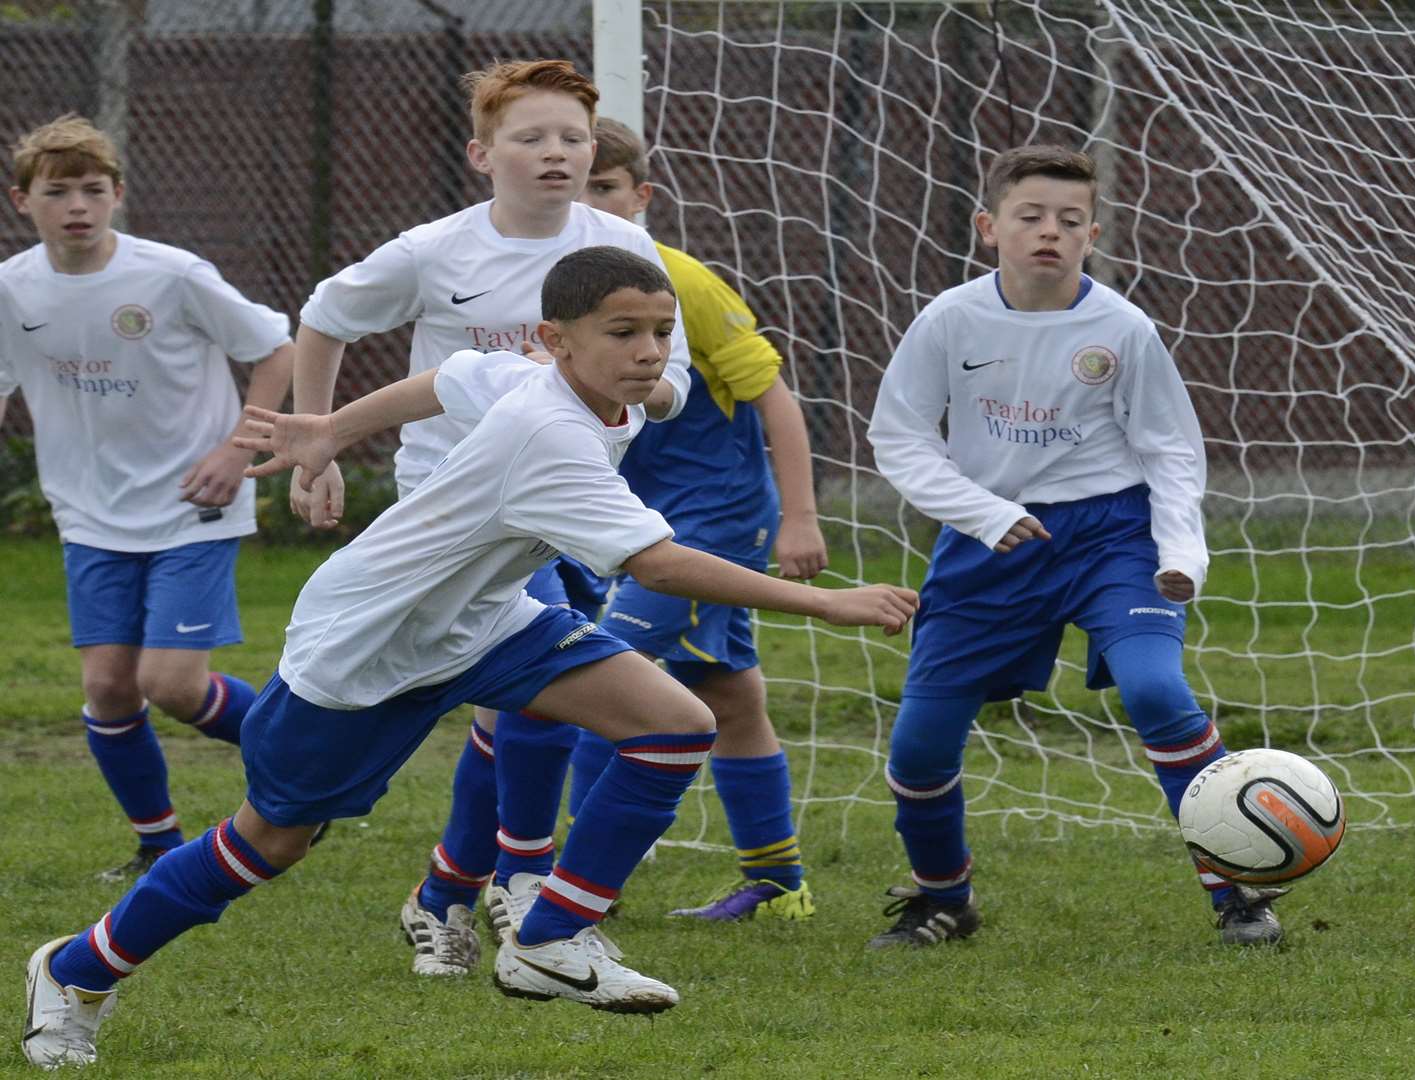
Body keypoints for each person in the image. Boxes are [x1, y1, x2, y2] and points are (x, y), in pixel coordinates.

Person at [21, 246, 919, 1069]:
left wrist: (331, 429)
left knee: (678, 725)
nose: (650, 352)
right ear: (556, 340)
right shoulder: (553, 432)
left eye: (659, 332)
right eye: (624, 333)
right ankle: (72, 971)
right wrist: (824, 601)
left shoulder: (559, 382)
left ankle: (552, 938)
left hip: (489, 621)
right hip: (367, 647)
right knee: (269, 843)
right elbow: (657, 560)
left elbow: (449, 377)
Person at [289, 58, 696, 975]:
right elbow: (325, 316)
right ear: (482, 154)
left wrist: (653, 392)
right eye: (531, 137)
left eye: (573, 139)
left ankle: (444, 891)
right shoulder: (437, 250)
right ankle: (525, 879)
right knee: (540, 676)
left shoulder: (618, 243)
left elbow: (677, 373)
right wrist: (319, 440)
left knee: (514, 704)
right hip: (458, 505)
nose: (556, 154)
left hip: (568, 503)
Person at [865, 145, 1280, 948]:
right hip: (989, 541)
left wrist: (1180, 554)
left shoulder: (1123, 328)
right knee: (918, 746)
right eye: (1029, 217)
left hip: (1110, 539)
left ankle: (1239, 895)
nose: (1048, 232)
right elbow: (901, 437)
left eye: (1068, 220)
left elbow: (1170, 450)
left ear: (1093, 234)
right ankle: (943, 900)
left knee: (1158, 694)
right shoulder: (949, 319)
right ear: (990, 228)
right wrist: (982, 512)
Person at [495, 116, 830, 927]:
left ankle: (571, 878)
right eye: (579, 185)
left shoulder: (680, 279)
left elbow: (773, 398)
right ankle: (778, 881)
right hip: (637, 518)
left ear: (637, 197)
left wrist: (800, 517)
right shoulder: (554, 290)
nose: (586, 197)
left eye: (604, 186)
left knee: (591, 671)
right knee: (730, 694)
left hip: (712, 517)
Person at [0, 114, 293, 879]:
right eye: (56, 191)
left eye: (93, 190)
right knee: (106, 687)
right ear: (21, 200)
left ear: (118, 195)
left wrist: (238, 447)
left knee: (171, 684)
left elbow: (274, 347)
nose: (76, 206)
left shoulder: (171, 274)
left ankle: (307, 775)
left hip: (194, 502)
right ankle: (158, 843)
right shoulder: (12, 288)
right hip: (89, 512)